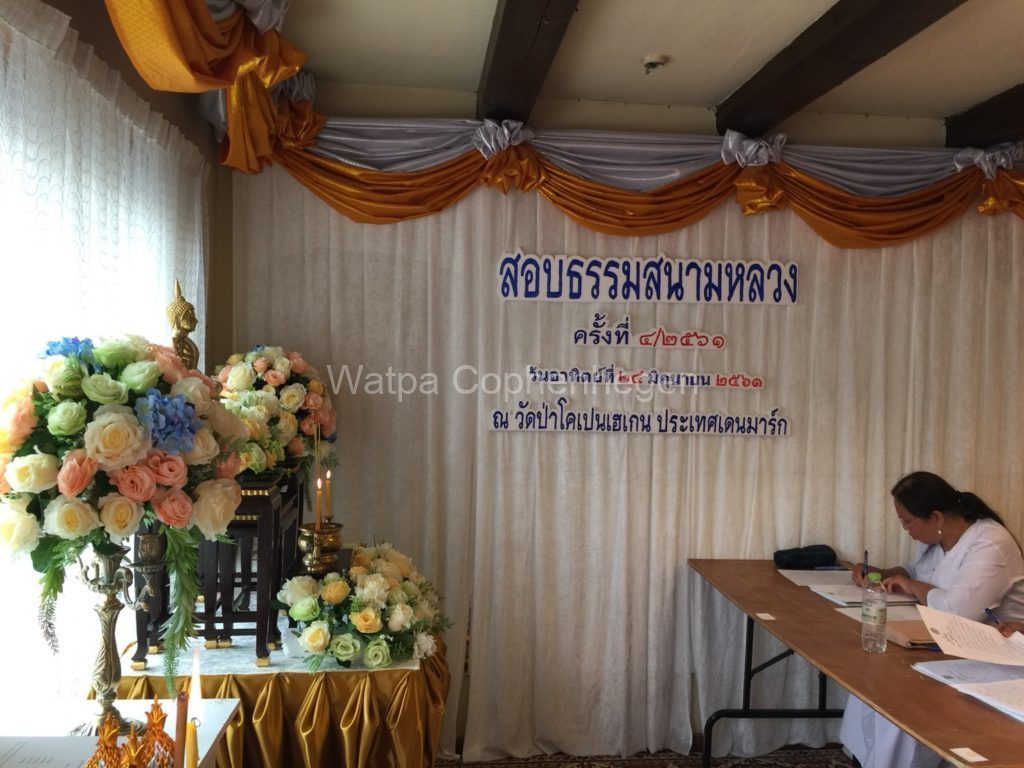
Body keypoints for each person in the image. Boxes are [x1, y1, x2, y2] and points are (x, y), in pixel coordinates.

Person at [840, 471, 1024, 768]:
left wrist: (913, 586)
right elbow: (915, 573)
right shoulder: (939, 540)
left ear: (936, 517)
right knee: (874, 676)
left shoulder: (990, 543)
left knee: (903, 689)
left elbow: (957, 612)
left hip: (999, 653)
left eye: (908, 522)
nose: (905, 530)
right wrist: (879, 573)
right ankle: (868, 759)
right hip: (946, 642)